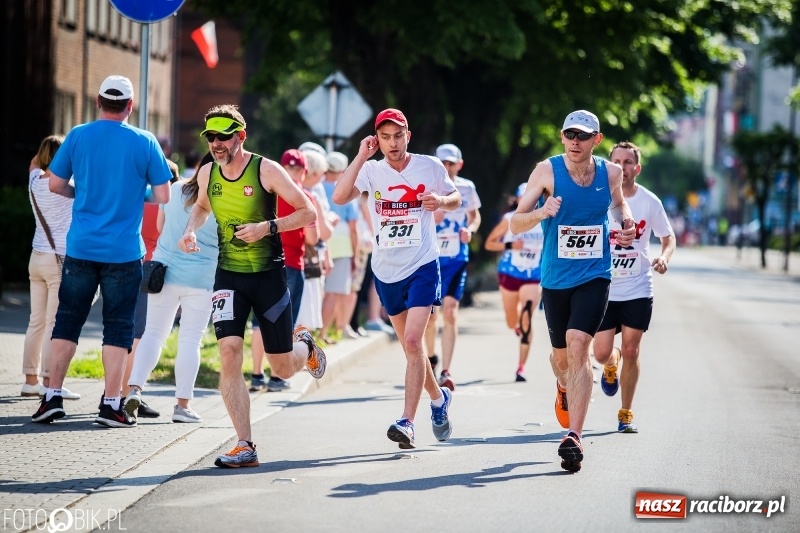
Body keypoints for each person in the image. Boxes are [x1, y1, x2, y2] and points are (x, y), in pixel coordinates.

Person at [179, 104, 326, 468]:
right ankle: (245, 444)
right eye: (211, 137)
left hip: (268, 277)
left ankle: (304, 345)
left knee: (282, 367)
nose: (216, 143)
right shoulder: (207, 172)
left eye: (223, 136)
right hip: (228, 277)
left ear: (240, 136)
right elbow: (201, 206)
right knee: (229, 352)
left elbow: (308, 211)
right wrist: (190, 230)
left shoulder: (267, 170)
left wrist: (267, 227)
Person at [31, 75, 172, 427]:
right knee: (119, 327)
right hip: (124, 252)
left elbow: (55, 184)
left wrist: (81, 193)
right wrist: (134, 193)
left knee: (67, 320)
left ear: (98, 101)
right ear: (130, 105)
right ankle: (110, 406)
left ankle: (51, 397)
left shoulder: (78, 135)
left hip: (81, 247)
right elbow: (164, 195)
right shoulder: (145, 140)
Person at [510, 109, 635, 472]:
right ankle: (564, 386)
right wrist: (542, 212)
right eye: (569, 134)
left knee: (579, 345)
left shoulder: (610, 173)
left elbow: (618, 202)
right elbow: (516, 223)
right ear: (562, 137)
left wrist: (626, 220)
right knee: (562, 360)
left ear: (597, 140)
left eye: (583, 136)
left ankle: (574, 437)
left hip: (595, 274)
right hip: (555, 279)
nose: (575, 142)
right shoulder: (546, 171)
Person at [332, 108, 461, 449]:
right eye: (385, 137)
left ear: (408, 136)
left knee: (415, 342)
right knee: (411, 349)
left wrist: (440, 200)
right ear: (377, 139)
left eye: (398, 136)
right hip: (386, 270)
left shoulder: (430, 166)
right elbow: (339, 197)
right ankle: (439, 399)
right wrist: (361, 156)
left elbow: (455, 198)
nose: (392, 143)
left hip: (422, 264)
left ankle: (407, 421)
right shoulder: (371, 170)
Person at [126, 153, 218, 423]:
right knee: (190, 340)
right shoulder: (222, 200)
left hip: (163, 272)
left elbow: (159, 227)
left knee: (153, 333)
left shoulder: (175, 188)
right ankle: (182, 406)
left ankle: (134, 389)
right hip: (201, 279)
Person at [592, 141, 676, 433]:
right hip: (604, 286)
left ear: (637, 168)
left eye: (628, 162)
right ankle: (610, 362)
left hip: (638, 288)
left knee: (632, 350)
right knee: (601, 353)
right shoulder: (598, 198)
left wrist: (664, 258)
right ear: (609, 166)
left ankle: (625, 413)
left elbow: (668, 237)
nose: (623, 167)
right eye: (617, 161)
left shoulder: (650, 201)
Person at [249, 149, 320, 393]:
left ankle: (256, 375)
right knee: (283, 323)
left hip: (261, 263)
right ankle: (277, 377)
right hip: (290, 265)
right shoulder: (305, 197)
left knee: (259, 322)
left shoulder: (266, 193)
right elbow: (312, 238)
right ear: (303, 172)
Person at [21, 135, 81, 400]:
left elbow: (34, 163)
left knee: (35, 321)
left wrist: (45, 152)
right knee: (54, 323)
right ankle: (48, 381)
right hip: (58, 259)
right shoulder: (68, 187)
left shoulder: (34, 182)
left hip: (36, 257)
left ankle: (29, 381)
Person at [423, 143, 482, 390]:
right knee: (430, 317)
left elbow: (475, 216)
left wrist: (471, 230)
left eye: (451, 163)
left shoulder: (467, 187)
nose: (447, 167)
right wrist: (430, 216)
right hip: (430, 258)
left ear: (459, 164)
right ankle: (431, 358)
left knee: (450, 311)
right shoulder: (426, 186)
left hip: (457, 258)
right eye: (443, 163)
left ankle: (446, 370)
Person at [484, 182, 543, 383]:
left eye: (532, 197)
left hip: (534, 274)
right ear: (518, 199)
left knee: (526, 317)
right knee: (512, 321)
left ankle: (521, 367)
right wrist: (510, 245)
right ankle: (516, 326)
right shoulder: (509, 219)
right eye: (524, 197)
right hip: (510, 273)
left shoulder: (545, 220)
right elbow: (489, 243)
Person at [321, 151, 360, 341]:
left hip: (321, 240)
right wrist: (356, 255)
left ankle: (311, 331)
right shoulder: (346, 190)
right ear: (343, 170)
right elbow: (353, 228)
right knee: (333, 292)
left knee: (319, 292)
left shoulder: (317, 186)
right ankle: (322, 334)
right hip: (342, 244)